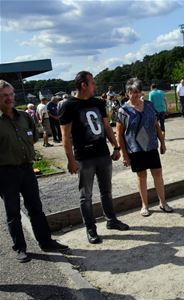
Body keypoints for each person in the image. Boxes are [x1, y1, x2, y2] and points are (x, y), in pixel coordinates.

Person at [0, 80, 68, 263]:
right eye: (4, 95)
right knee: (13, 212)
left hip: (27, 170)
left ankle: (46, 241)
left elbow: (34, 137)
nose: (9, 98)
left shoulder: (24, 116)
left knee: (36, 208)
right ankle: (20, 248)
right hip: (6, 173)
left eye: (11, 94)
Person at [59, 71, 129, 244]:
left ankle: (111, 220)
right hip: (84, 157)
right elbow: (65, 136)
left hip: (102, 154)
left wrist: (116, 146)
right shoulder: (68, 105)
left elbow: (106, 126)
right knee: (86, 195)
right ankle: (91, 229)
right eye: (92, 83)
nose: (95, 86)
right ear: (83, 85)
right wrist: (70, 160)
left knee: (107, 191)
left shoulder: (98, 102)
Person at [116, 78, 173, 217]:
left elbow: (156, 125)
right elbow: (119, 135)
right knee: (142, 176)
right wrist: (124, 155)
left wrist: (162, 143)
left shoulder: (148, 105)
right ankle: (144, 205)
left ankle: (163, 202)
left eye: (138, 92)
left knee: (158, 174)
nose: (136, 95)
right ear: (127, 93)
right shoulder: (123, 111)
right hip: (135, 149)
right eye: (133, 92)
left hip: (151, 147)